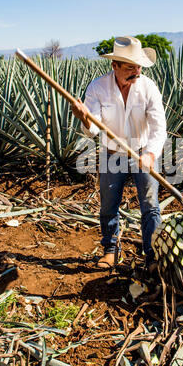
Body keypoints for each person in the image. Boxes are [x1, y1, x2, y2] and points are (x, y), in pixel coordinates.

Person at [71, 36, 167, 273]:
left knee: (150, 206)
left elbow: (159, 127)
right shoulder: (97, 87)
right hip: (112, 153)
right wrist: (84, 117)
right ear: (114, 65)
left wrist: (151, 155)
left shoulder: (148, 87)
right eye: (130, 67)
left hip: (143, 152)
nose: (137, 71)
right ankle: (110, 250)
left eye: (139, 66)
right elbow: (92, 128)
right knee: (108, 206)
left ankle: (152, 255)